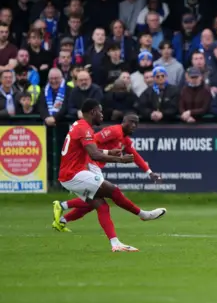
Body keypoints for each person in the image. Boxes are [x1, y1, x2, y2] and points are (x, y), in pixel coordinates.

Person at [55, 99, 166, 252]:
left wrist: (109, 152)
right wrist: (119, 159)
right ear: (93, 112)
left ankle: (115, 244)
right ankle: (143, 215)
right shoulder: (90, 129)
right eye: (100, 111)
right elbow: (94, 153)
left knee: (101, 205)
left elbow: (93, 147)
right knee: (112, 190)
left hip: (71, 174)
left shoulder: (81, 126)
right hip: (75, 173)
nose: (102, 115)